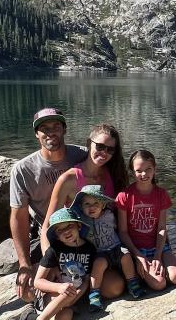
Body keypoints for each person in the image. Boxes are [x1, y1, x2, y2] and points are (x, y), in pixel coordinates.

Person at [41, 123, 129, 298]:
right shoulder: (69, 179)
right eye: (100, 146)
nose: (104, 153)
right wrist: (52, 263)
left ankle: (87, 287)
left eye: (110, 150)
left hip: (109, 247)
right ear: (89, 143)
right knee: (113, 288)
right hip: (80, 254)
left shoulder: (113, 173)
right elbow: (47, 225)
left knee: (116, 287)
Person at [9, 108, 87, 302]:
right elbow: (18, 218)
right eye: (44, 128)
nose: (51, 132)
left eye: (56, 126)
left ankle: (69, 295)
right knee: (27, 292)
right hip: (48, 233)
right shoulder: (22, 170)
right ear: (37, 134)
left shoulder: (82, 155)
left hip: (83, 230)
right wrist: (24, 264)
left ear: (64, 129)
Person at [116, 149, 176, 291]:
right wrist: (138, 255)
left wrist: (158, 256)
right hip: (137, 249)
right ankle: (140, 271)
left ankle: (151, 269)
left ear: (154, 169)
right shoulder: (124, 196)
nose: (144, 174)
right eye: (139, 170)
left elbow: (161, 228)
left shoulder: (161, 194)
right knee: (159, 284)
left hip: (158, 247)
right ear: (132, 172)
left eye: (148, 169)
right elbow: (122, 232)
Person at [71, 185, 144, 312]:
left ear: (103, 205)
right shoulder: (81, 221)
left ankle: (133, 283)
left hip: (115, 246)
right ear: (81, 206)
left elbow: (118, 228)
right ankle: (94, 294)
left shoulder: (109, 215)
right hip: (99, 252)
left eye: (96, 203)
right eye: (87, 204)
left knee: (126, 256)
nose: (92, 207)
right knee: (98, 264)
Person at [26, 207, 96, 320]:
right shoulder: (54, 250)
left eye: (70, 226)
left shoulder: (89, 248)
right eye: (60, 230)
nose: (66, 231)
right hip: (55, 294)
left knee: (66, 315)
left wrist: (76, 295)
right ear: (56, 235)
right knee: (67, 293)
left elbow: (87, 279)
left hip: (74, 297)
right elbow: (38, 281)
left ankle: (31, 317)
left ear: (79, 226)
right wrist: (59, 287)